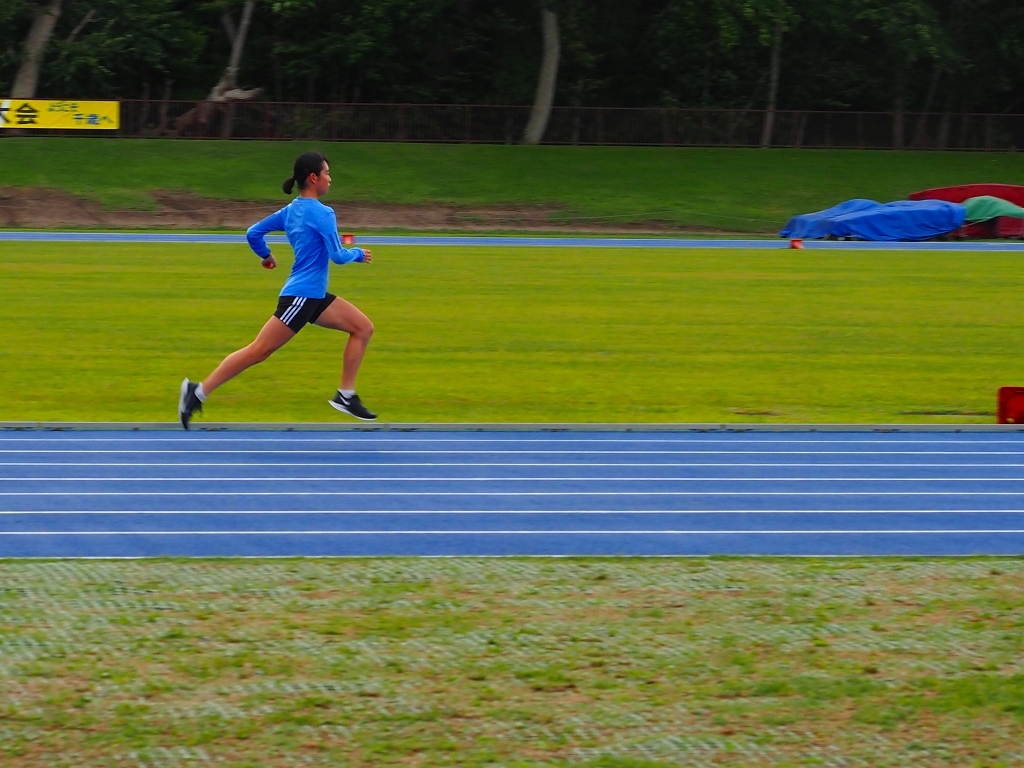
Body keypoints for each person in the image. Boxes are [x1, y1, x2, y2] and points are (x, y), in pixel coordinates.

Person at [178, 150, 376, 429]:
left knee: (363, 328)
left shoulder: (290, 210)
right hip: (302, 297)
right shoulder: (323, 213)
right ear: (313, 178)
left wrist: (266, 256)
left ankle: (346, 395)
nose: (330, 179)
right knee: (258, 351)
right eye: (327, 173)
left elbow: (253, 233)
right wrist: (358, 254)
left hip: (314, 296)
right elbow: (338, 256)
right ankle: (197, 393)